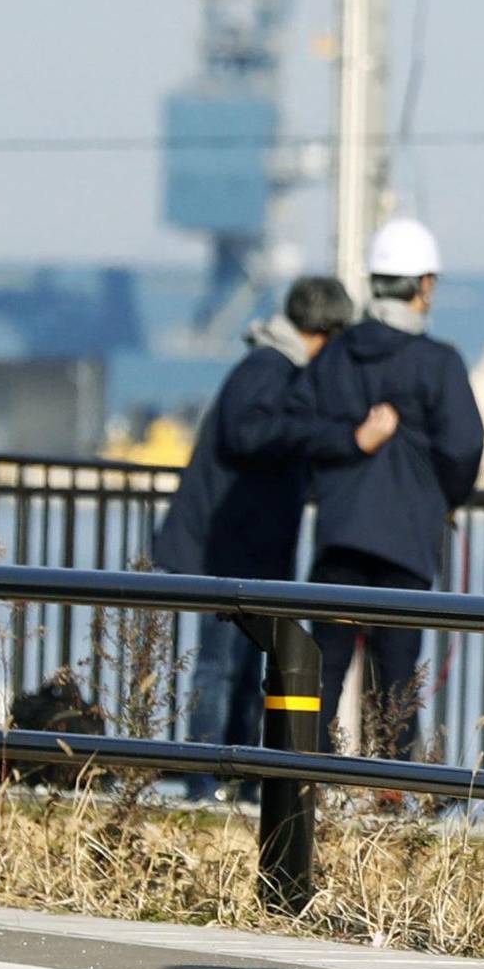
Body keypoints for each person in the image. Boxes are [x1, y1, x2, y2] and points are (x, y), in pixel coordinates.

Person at [153, 276, 397, 794]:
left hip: (243, 545)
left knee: (239, 670)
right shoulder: (269, 367)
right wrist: (344, 439)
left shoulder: (272, 366)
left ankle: (229, 781)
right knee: (222, 668)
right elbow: (252, 434)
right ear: (324, 333)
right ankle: (207, 783)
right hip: (231, 548)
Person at [296, 219, 484, 761]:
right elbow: (464, 447)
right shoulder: (438, 363)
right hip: (406, 541)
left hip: (340, 536)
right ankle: (397, 792)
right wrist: (439, 498)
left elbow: (304, 432)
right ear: (424, 286)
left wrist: (349, 451)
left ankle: (302, 780)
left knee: (323, 671)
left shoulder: (333, 357)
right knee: (397, 678)